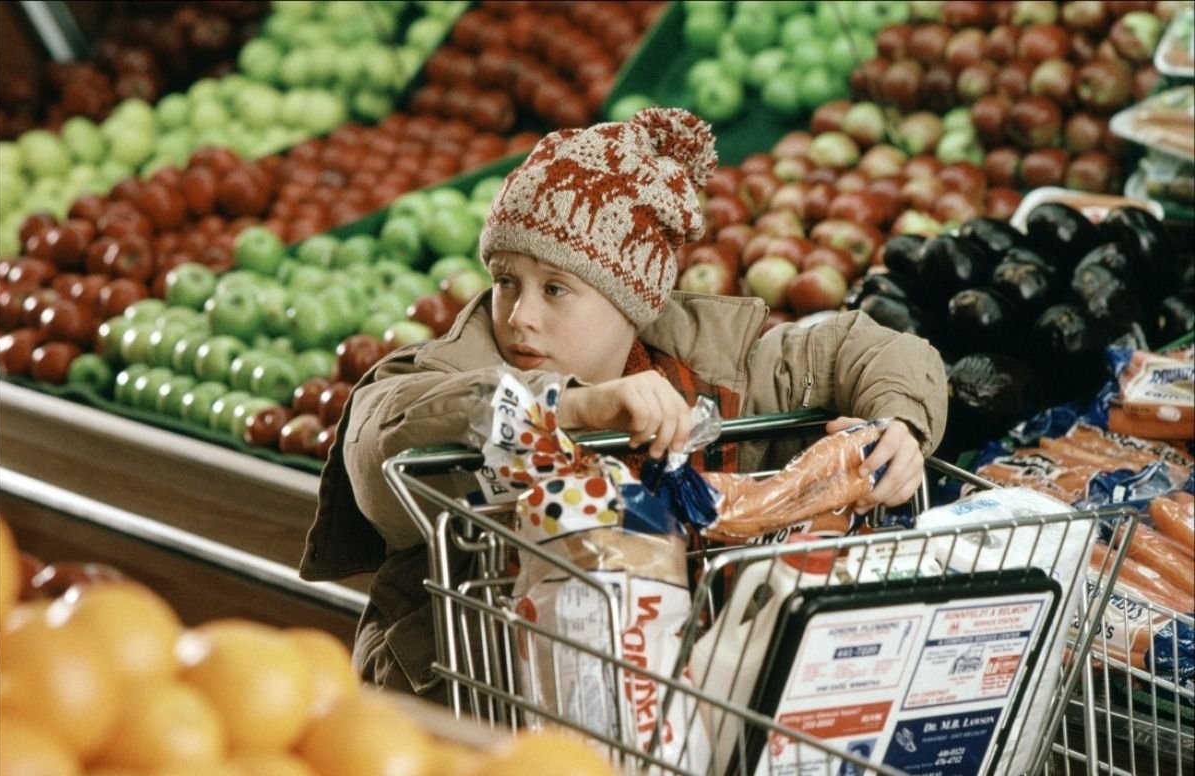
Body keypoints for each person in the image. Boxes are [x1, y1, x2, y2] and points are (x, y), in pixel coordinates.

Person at [300, 107, 948, 697]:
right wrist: (572, 408)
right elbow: (379, 441)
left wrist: (900, 422)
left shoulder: (711, 364)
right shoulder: (455, 367)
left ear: (630, 301)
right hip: (473, 709)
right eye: (505, 282)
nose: (520, 315)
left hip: (661, 706)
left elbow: (866, 348)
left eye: (556, 289)